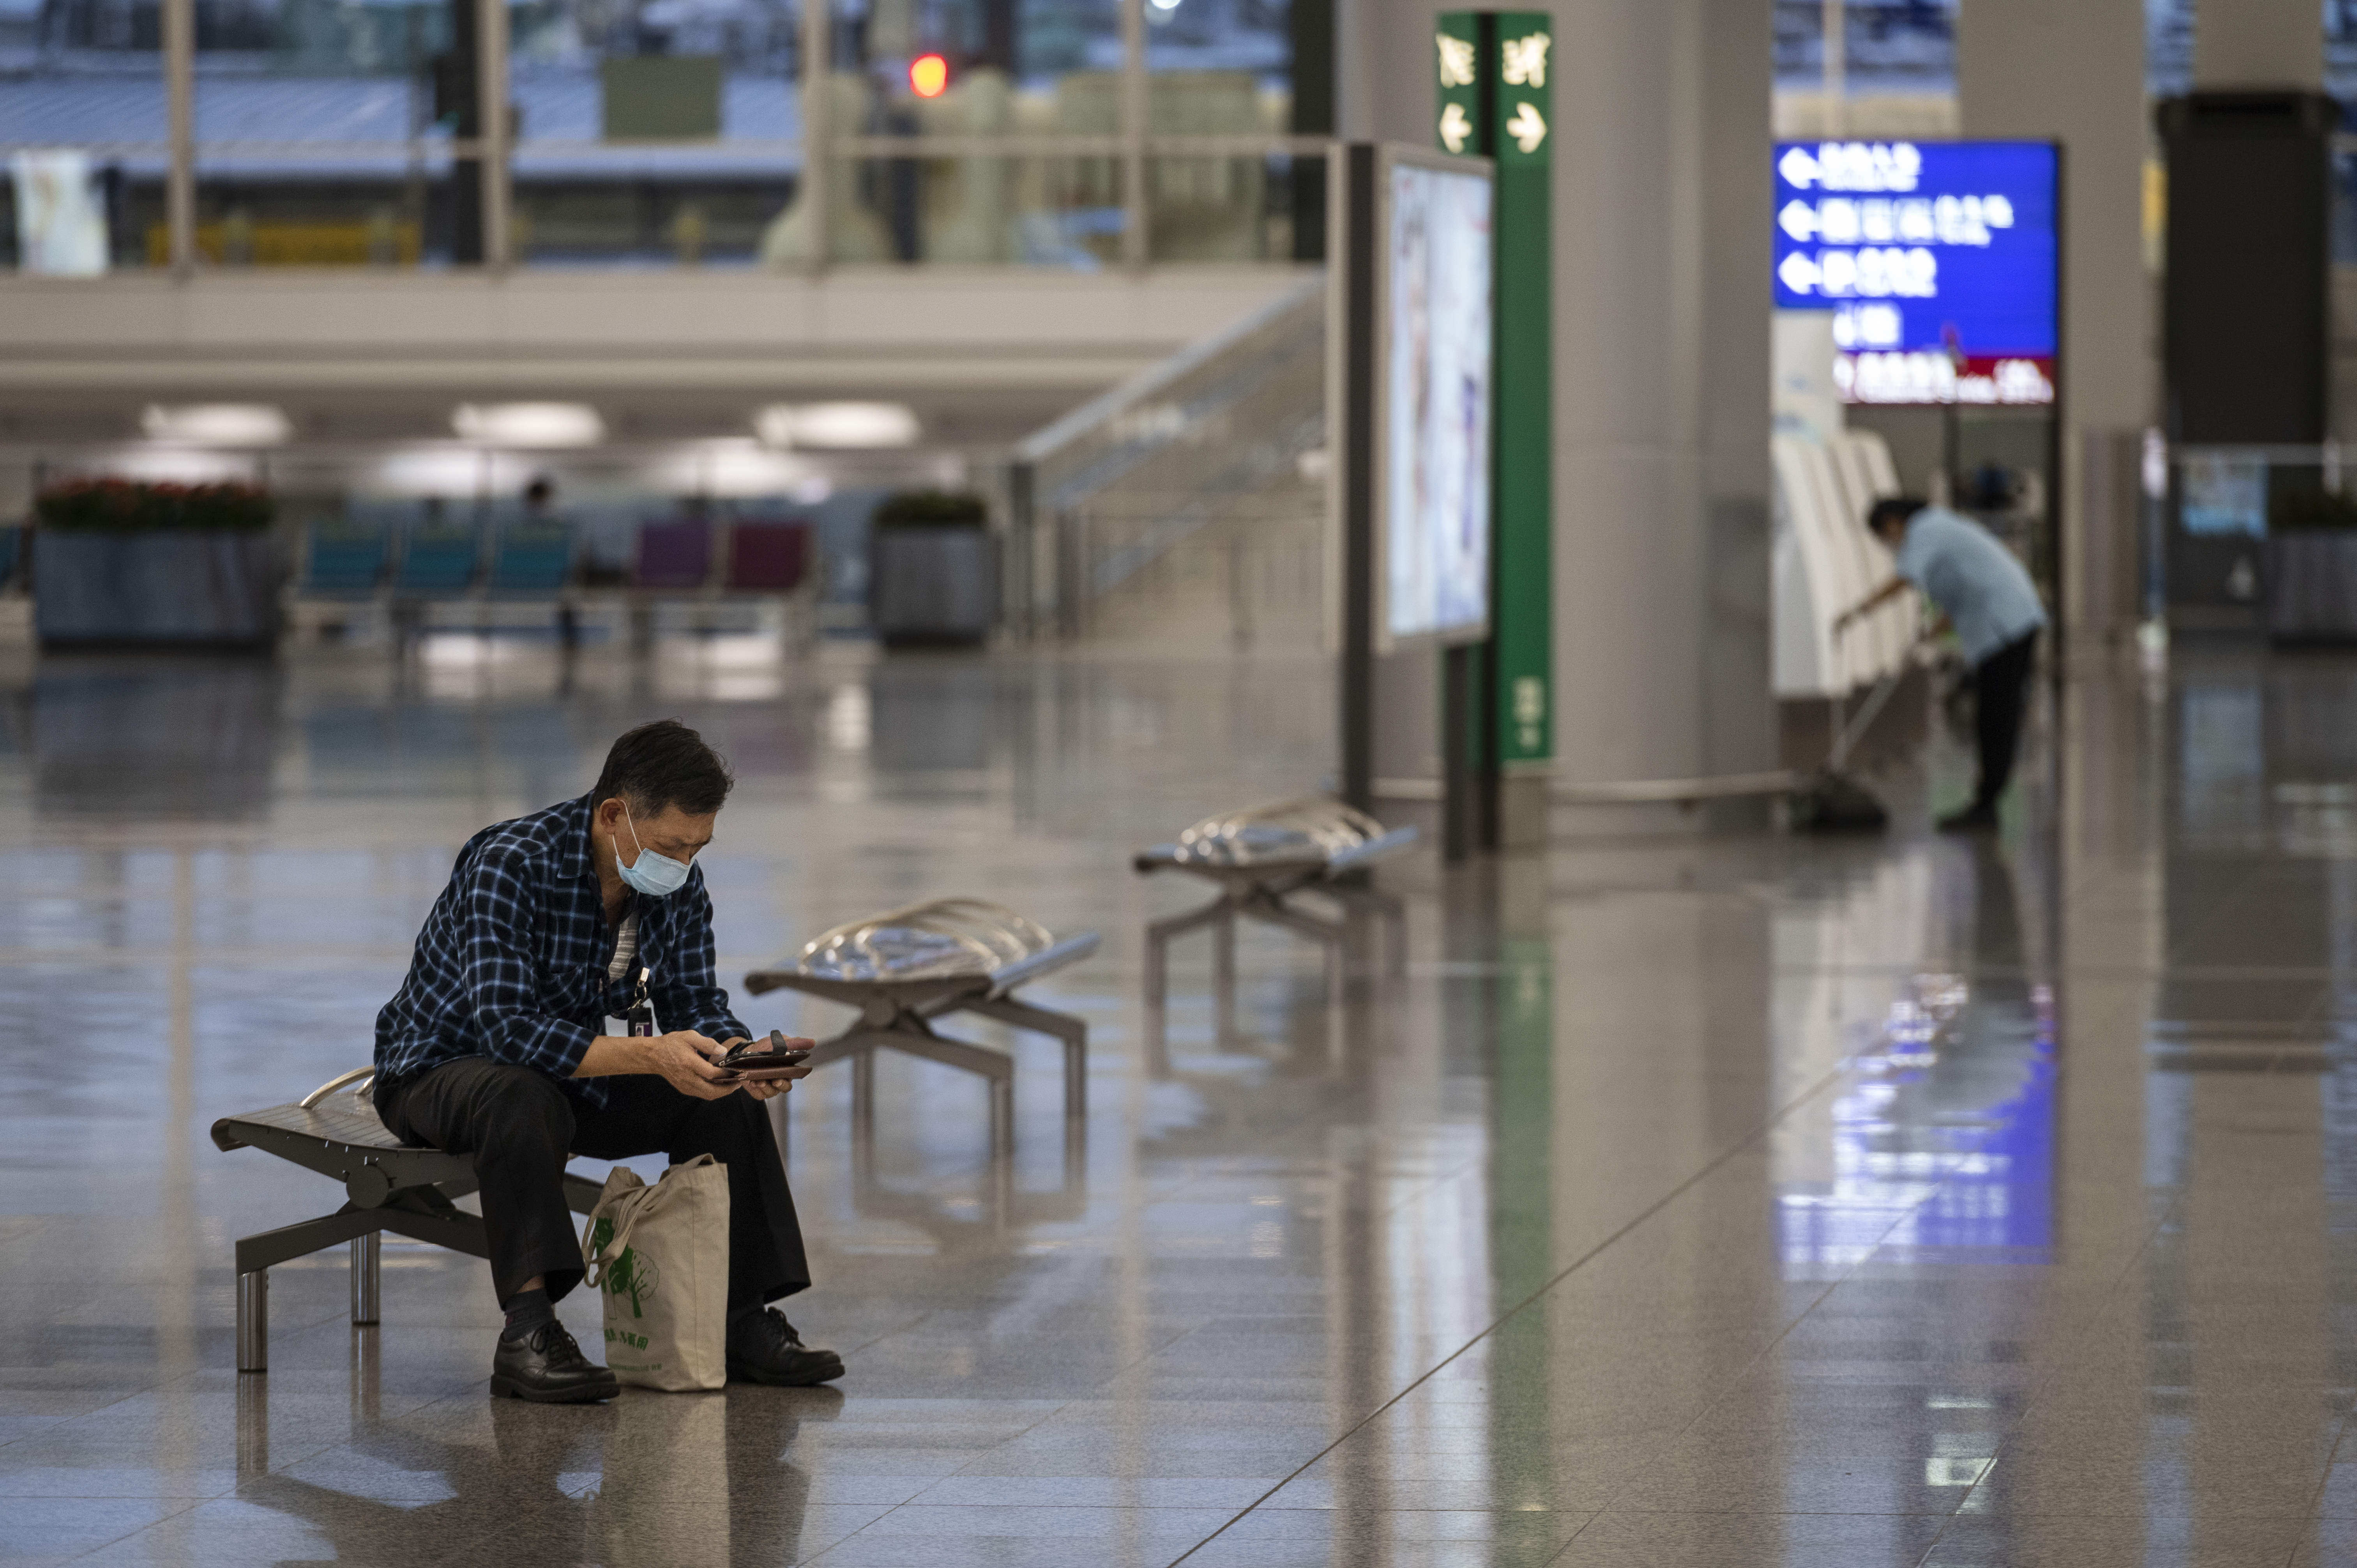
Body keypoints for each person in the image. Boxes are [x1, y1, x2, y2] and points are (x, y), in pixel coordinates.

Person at [371, 719, 843, 1403]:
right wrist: (651, 1053)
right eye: (671, 846)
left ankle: (738, 1320)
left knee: (721, 1094)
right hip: (440, 1070)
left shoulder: (672, 879)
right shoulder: (511, 862)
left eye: (697, 846)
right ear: (613, 813)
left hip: (561, 1073)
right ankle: (528, 1330)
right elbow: (506, 1030)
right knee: (520, 1093)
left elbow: (692, 997)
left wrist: (736, 1056)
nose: (682, 864)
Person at [1838, 497, 2047, 834]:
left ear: (1893, 521)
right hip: (2009, 621)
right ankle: (1986, 803)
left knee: (1997, 717)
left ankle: (1987, 806)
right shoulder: (1941, 528)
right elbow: (1962, 592)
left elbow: (1904, 577)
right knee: (1994, 717)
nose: (1889, 543)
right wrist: (1930, 632)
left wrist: (1859, 612)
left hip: (2007, 626)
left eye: (1885, 534)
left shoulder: (1925, 529)